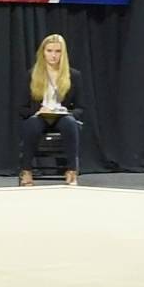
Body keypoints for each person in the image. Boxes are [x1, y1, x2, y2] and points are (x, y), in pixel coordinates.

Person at [17, 33, 83, 186]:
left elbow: (81, 107)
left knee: (69, 123)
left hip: (62, 116)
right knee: (32, 124)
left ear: (63, 54)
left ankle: (72, 170)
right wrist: (37, 111)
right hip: (40, 116)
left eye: (57, 51)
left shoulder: (74, 75)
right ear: (43, 53)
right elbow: (21, 108)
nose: (53, 55)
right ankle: (26, 171)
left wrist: (68, 113)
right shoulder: (31, 75)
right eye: (50, 51)